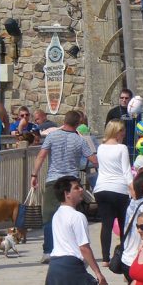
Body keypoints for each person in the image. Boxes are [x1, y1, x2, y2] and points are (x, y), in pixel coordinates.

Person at [31, 110, 97, 261]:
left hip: (53, 180)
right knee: (72, 217)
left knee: (49, 216)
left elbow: (41, 156)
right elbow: (94, 159)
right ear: (78, 124)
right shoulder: (80, 140)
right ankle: (72, 249)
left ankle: (48, 250)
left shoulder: (52, 136)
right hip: (71, 180)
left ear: (64, 121)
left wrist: (34, 175)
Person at [45, 175, 108, 285]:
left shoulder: (57, 215)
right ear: (67, 194)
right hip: (71, 268)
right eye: (76, 188)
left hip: (54, 267)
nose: (81, 190)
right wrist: (98, 273)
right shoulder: (77, 216)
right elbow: (84, 248)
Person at [93, 120, 133, 263]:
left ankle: (105, 258)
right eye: (122, 131)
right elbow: (127, 172)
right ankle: (124, 255)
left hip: (101, 188)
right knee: (123, 223)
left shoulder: (101, 148)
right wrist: (133, 190)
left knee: (106, 224)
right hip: (119, 188)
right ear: (117, 132)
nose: (124, 134)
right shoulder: (122, 148)